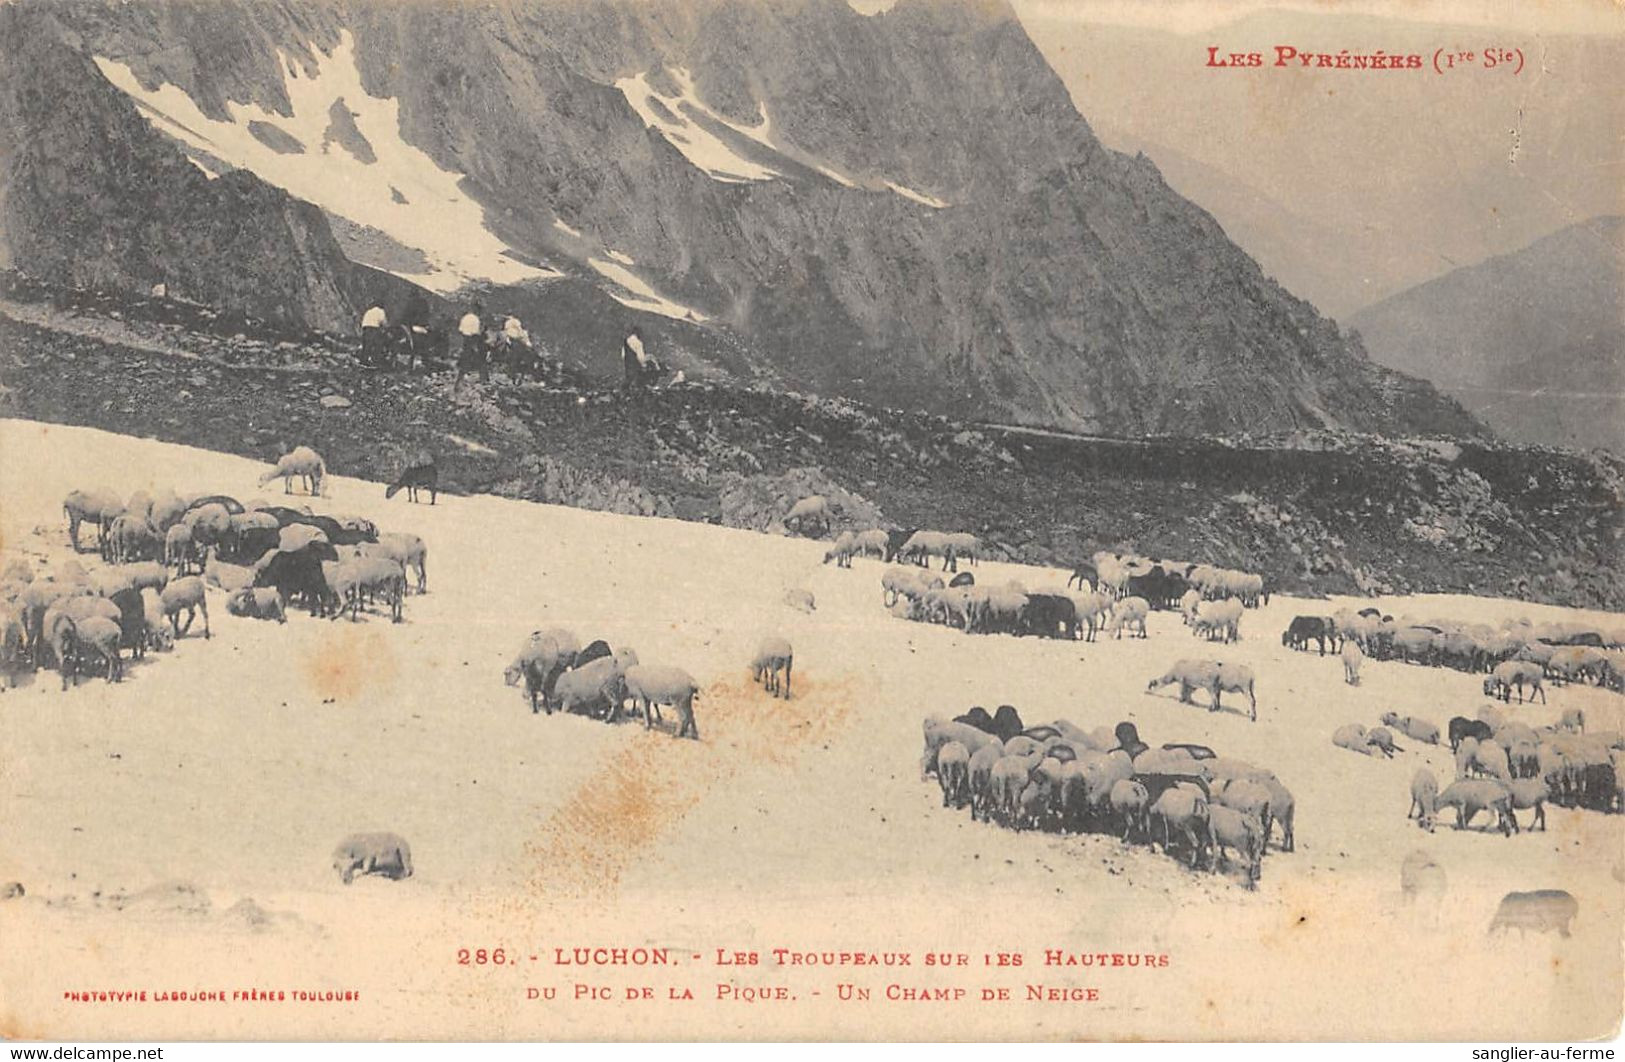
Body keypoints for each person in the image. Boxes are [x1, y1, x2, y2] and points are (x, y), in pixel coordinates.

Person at [454, 301, 487, 389]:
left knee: (465, 357)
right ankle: (483, 379)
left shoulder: (465, 317)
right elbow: (476, 333)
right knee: (480, 359)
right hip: (473, 339)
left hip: (465, 339)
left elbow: (460, 330)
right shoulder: (476, 319)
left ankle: (460, 378)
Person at [360, 304, 389, 368]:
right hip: (373, 329)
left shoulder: (369, 311)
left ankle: (363, 361)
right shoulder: (381, 311)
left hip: (365, 328)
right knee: (378, 345)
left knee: (366, 345)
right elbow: (384, 322)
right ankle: (376, 361)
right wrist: (387, 328)